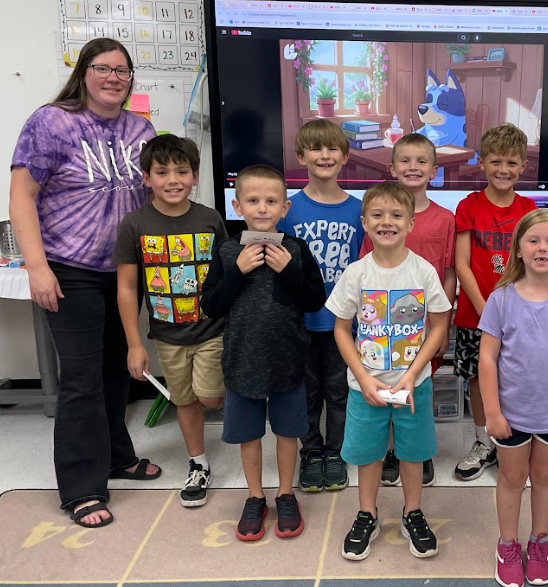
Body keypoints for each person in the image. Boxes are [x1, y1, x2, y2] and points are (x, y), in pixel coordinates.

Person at [9, 37, 160, 528]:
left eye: (122, 70)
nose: (114, 78)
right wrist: (37, 266)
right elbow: (22, 195)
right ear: (83, 73)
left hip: (122, 270)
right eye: (103, 68)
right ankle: (80, 487)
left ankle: (117, 456)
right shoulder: (51, 121)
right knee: (80, 379)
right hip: (69, 267)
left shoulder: (142, 128)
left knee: (118, 372)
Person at [326, 181, 452, 560]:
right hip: (367, 386)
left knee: (412, 455)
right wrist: (363, 378)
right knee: (368, 456)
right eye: (377, 215)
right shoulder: (356, 273)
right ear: (364, 222)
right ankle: (368, 514)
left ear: (411, 223)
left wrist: (413, 373)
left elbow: (439, 326)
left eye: (396, 215)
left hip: (415, 385)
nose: (387, 222)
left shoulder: (424, 271)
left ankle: (413, 512)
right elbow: (341, 329)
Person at [200, 165, 326, 541]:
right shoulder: (225, 251)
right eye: (252, 200)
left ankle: (286, 494)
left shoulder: (297, 250)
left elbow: (316, 300)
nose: (262, 208)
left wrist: (289, 270)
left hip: (288, 362)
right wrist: (237, 271)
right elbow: (211, 306)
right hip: (241, 364)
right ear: (237, 205)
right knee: (249, 435)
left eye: (271, 201)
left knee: (288, 433)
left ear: (284, 208)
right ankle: (255, 496)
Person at [479, 209, 548, 587]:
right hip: (510, 414)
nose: (542, 247)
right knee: (512, 479)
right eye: (534, 240)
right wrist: (492, 412)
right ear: (519, 249)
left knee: (544, 478)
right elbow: (488, 359)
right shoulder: (500, 299)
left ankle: (539, 542)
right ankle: (508, 544)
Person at [113, 135, 227, 508]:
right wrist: (134, 344)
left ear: (195, 175)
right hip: (167, 335)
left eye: (182, 171)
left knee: (209, 398)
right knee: (184, 400)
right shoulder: (135, 224)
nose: (173, 179)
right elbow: (128, 287)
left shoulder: (210, 219)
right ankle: (198, 463)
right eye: (162, 172)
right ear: (146, 178)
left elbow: (228, 273)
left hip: (212, 329)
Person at [359, 133, 457, 488]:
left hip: (425, 328)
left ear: (433, 169)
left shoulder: (445, 219)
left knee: (420, 385)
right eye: (405, 160)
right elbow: (366, 274)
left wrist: (440, 327)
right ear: (391, 168)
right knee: (386, 384)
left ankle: (417, 451)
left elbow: (448, 274)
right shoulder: (379, 218)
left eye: (421, 161)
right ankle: (390, 450)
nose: (413, 167)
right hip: (383, 326)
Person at [278, 119, 364, 493]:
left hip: (344, 323)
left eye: (332, 149)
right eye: (315, 148)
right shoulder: (287, 210)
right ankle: (310, 451)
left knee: (340, 391)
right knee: (306, 392)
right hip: (299, 322)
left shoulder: (360, 211)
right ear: (301, 156)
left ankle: (335, 452)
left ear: (345, 157)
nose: (324, 155)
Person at [453, 123, 537, 481]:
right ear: (482, 163)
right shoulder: (469, 205)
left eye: (512, 163)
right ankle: (483, 442)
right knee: (476, 378)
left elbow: (535, 263)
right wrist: (488, 310)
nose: (504, 170)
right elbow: (461, 264)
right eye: (496, 161)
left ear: (523, 167)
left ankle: (511, 443)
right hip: (477, 314)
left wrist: (513, 311)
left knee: (515, 379)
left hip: (520, 317)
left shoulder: (529, 207)